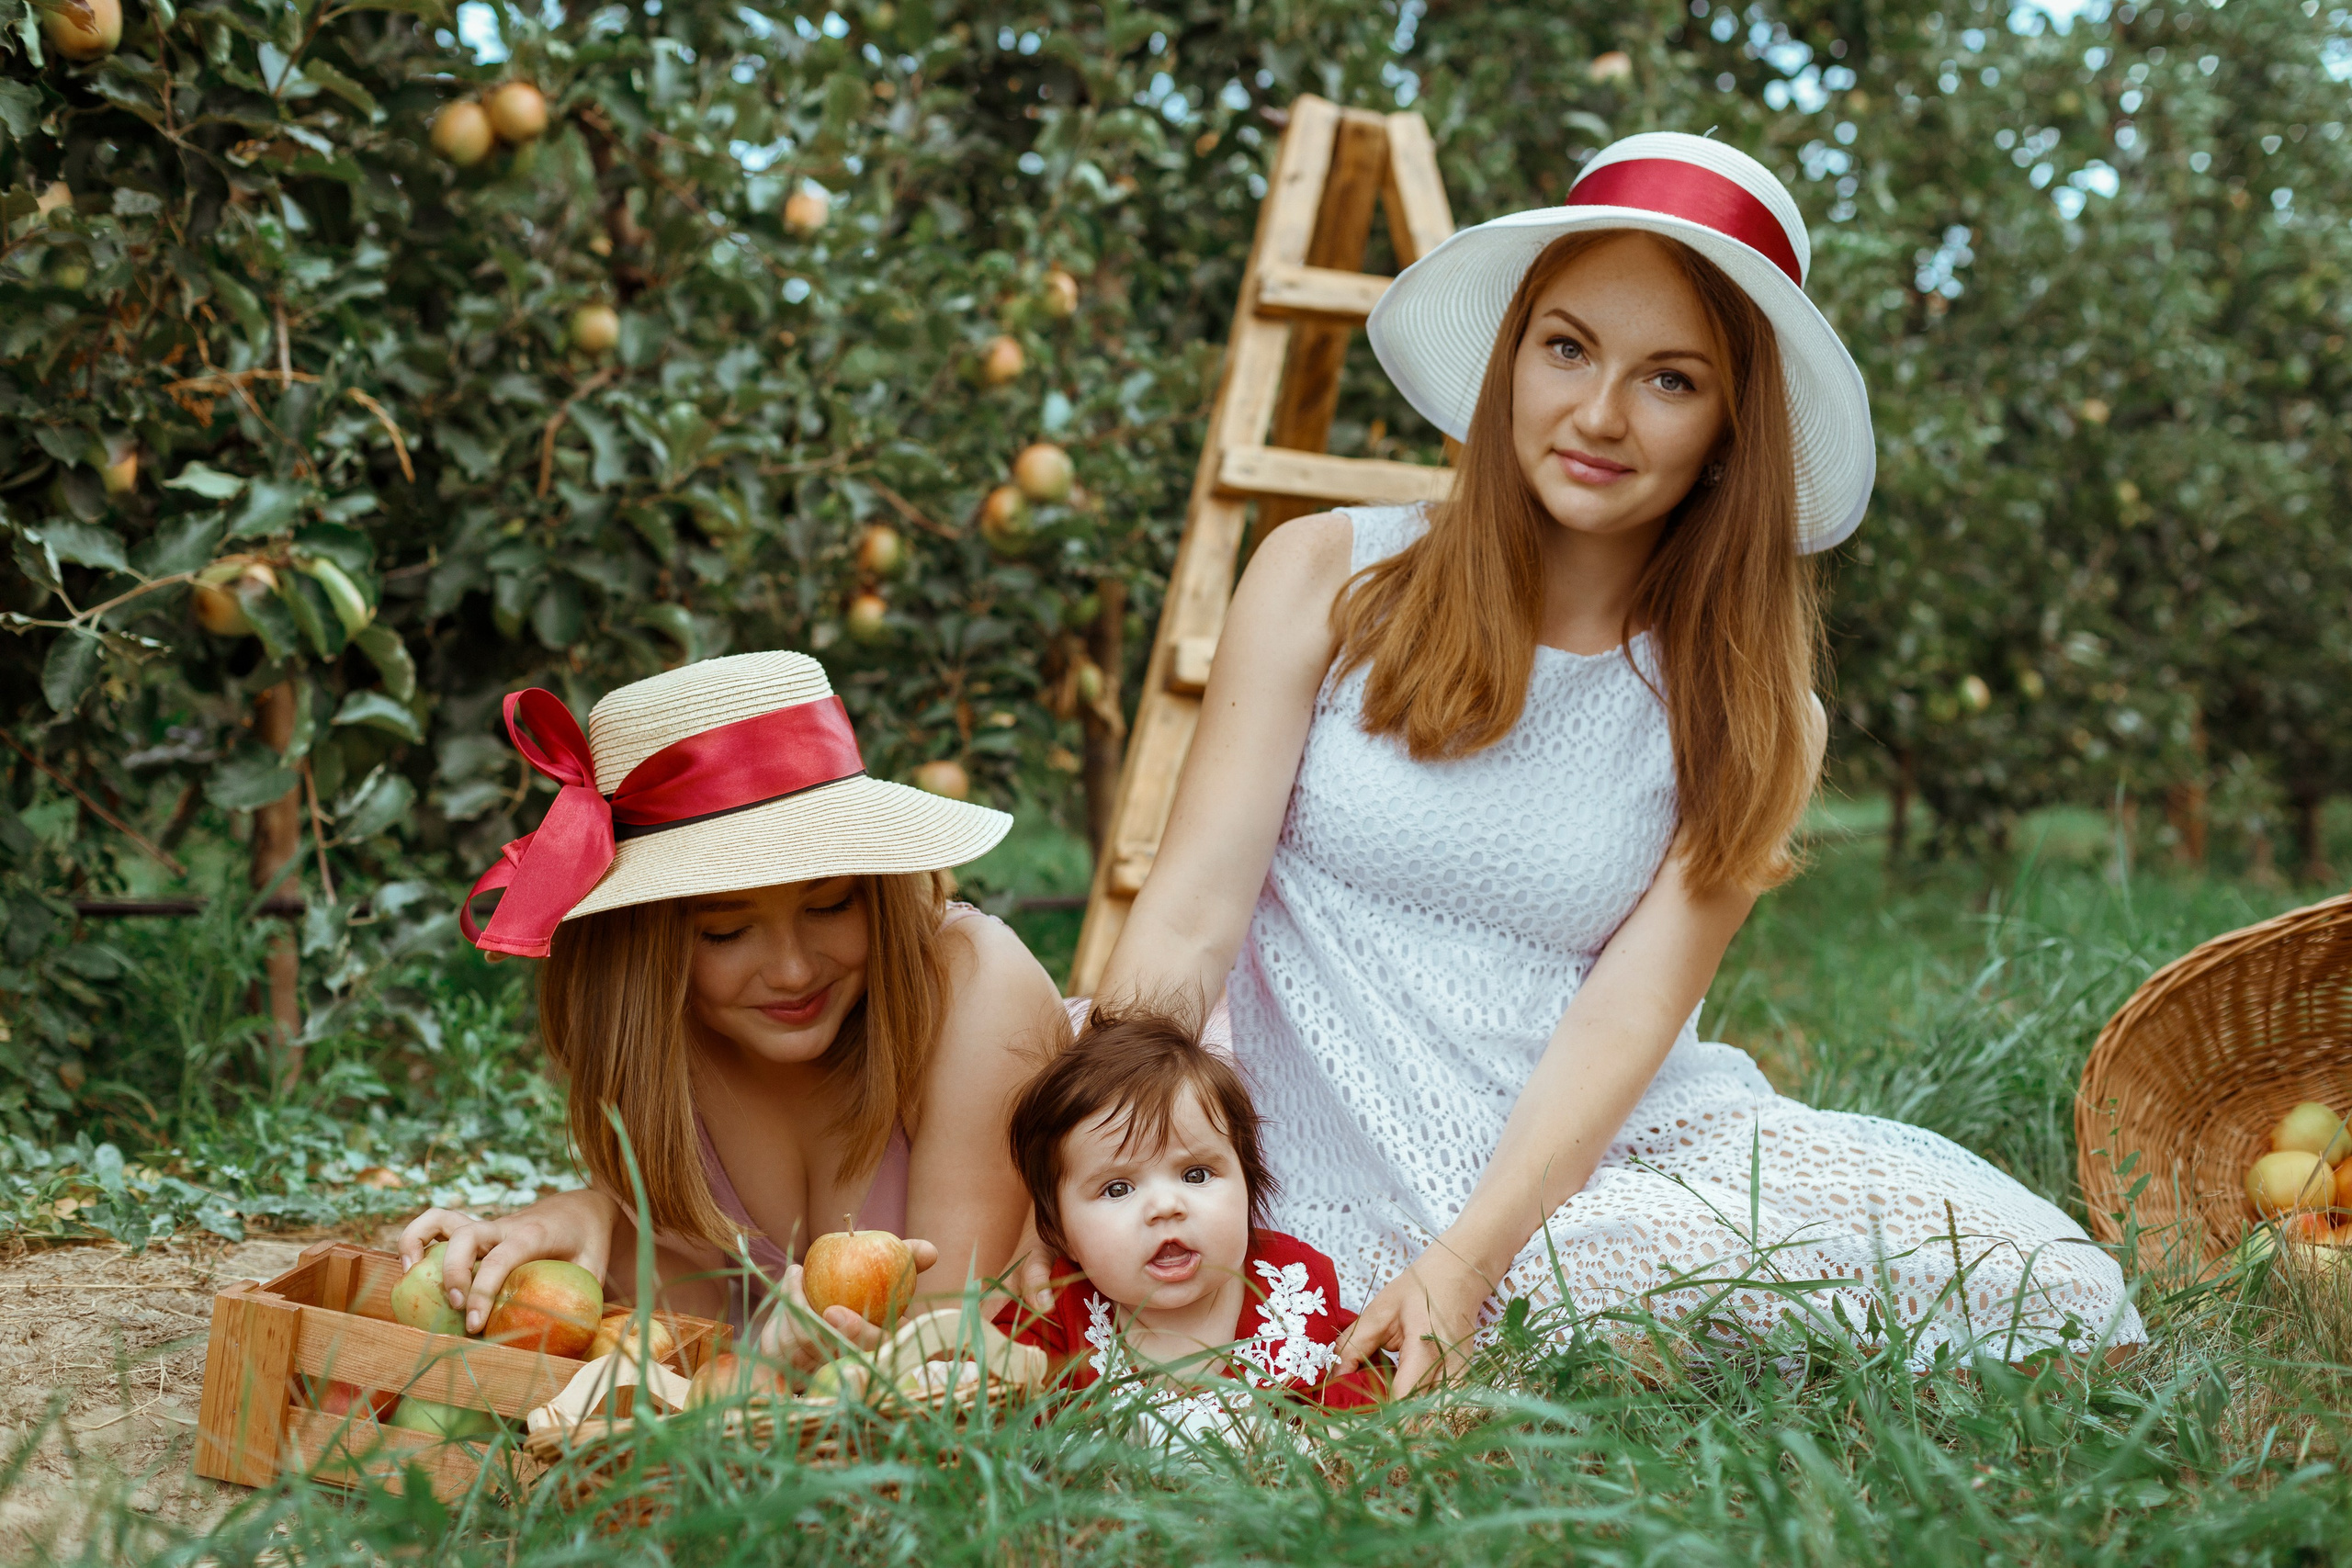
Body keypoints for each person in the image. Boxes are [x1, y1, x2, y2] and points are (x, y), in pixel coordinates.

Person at [1070, 132, 2144, 1390]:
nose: (1598, 414)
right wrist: (1106, 1157)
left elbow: (1626, 1021)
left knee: (2051, 1290)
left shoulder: (1754, 711)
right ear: (1512, 356)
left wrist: (1471, 1258)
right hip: (1313, 1130)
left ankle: (1559, 1310)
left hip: (1578, 1157)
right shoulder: (1325, 577)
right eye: (1567, 347)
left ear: (1733, 425)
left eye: (1670, 379)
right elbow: (1190, 912)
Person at [398, 650, 1071, 1362]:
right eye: (725, 930)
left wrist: (761, 1371)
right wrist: (588, 1215)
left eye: (831, 903)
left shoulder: (976, 994)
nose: (792, 968)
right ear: (644, 954)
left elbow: (938, 1368)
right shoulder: (665, 1043)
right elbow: (692, 1331)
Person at [995, 1008, 1380, 1421]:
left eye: (1196, 1174)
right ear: (1058, 1232)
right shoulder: (1056, 1314)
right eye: (1118, 1188)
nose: (1166, 1207)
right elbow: (987, 1402)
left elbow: (1367, 1385)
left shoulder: (1295, 1291)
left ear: (1248, 1183)